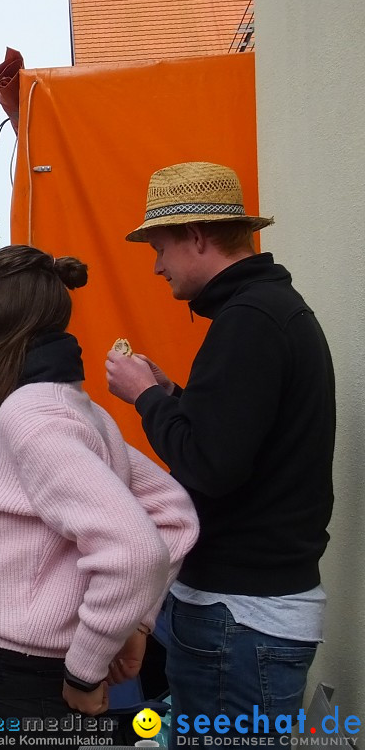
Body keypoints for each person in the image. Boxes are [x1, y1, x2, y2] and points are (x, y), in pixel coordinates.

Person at [0, 246, 198, 726]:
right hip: (23, 675)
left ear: (3, 325)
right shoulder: (70, 407)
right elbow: (172, 514)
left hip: (26, 687)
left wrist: (87, 669)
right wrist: (129, 624)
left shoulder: (35, 414)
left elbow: (135, 551)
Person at [105, 161, 335, 725]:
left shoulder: (250, 320)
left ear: (197, 236)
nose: (157, 267)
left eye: (160, 248)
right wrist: (175, 393)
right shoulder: (263, 313)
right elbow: (240, 436)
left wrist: (147, 399)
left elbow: (210, 465)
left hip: (241, 618)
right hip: (251, 614)